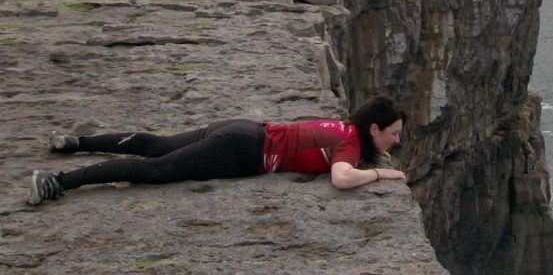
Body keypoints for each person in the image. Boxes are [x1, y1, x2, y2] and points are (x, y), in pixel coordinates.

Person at [27, 96, 407, 205]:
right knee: (156, 169)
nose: (396, 141)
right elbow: (342, 179)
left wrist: (375, 154)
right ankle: (58, 182)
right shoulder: (350, 143)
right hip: (243, 151)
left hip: (243, 128)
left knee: (155, 144)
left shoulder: (344, 128)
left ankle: (76, 143)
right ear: (372, 128)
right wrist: (379, 173)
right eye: (392, 133)